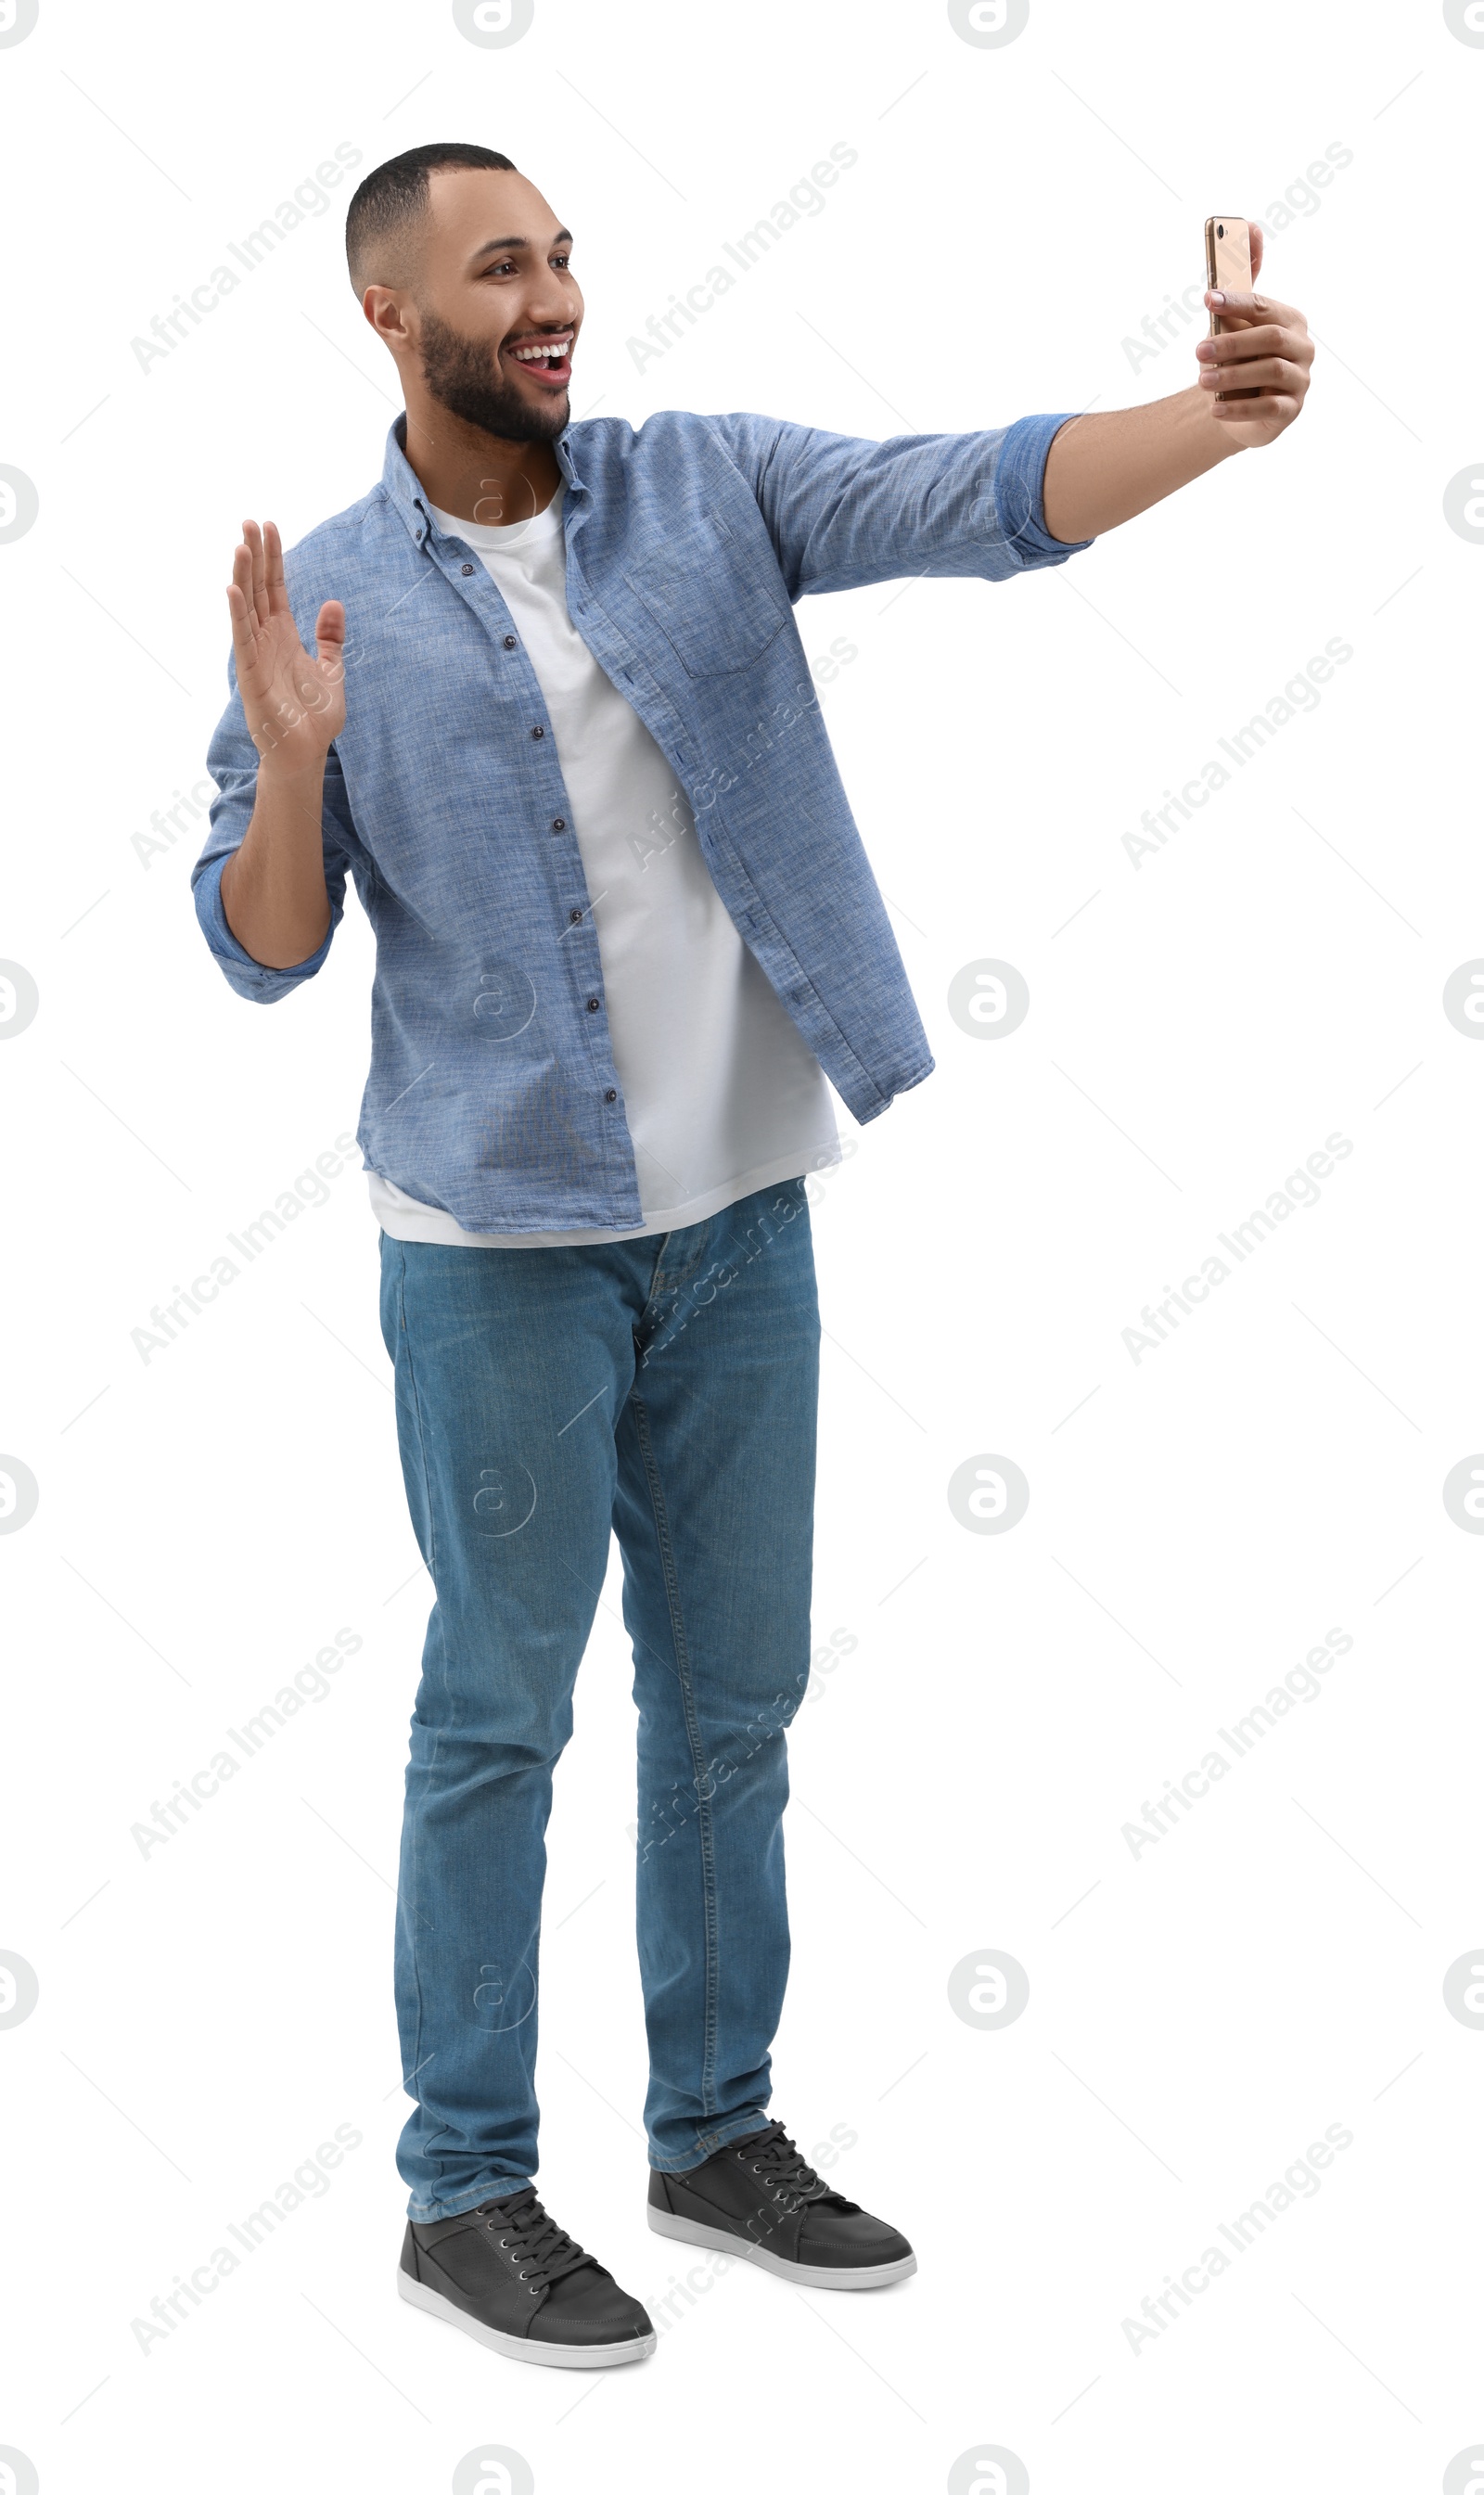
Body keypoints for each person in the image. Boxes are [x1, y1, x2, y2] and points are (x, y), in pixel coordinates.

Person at [193, 142, 1313, 2370]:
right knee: (494, 1716)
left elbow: (967, 495)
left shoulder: (701, 489)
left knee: (731, 1711)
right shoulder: (318, 601)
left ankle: (711, 2133)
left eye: (564, 256)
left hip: (735, 1234)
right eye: (500, 268)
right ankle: (464, 2186)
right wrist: (299, 767)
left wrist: (1210, 416)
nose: (555, 296)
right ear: (389, 317)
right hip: (496, 1253)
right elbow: (262, 948)